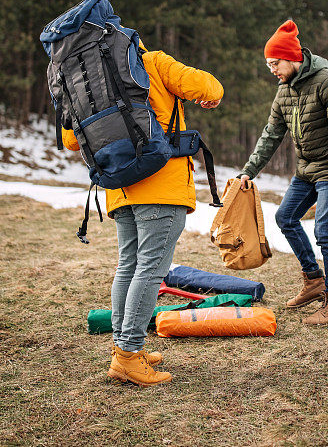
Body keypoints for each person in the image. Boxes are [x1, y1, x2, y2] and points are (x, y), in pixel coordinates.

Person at [62, 43, 223, 386]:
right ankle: (128, 354)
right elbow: (209, 87)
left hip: (119, 185)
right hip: (160, 183)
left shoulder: (86, 80)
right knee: (150, 270)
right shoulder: (152, 62)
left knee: (129, 266)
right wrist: (210, 97)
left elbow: (70, 140)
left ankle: (123, 348)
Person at [239, 19, 328, 325]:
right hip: (306, 170)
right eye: (268, 64)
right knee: (285, 218)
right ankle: (314, 280)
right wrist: (248, 171)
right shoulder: (284, 91)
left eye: (275, 63)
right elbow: (271, 134)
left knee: (325, 232)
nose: (272, 70)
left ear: (292, 58)